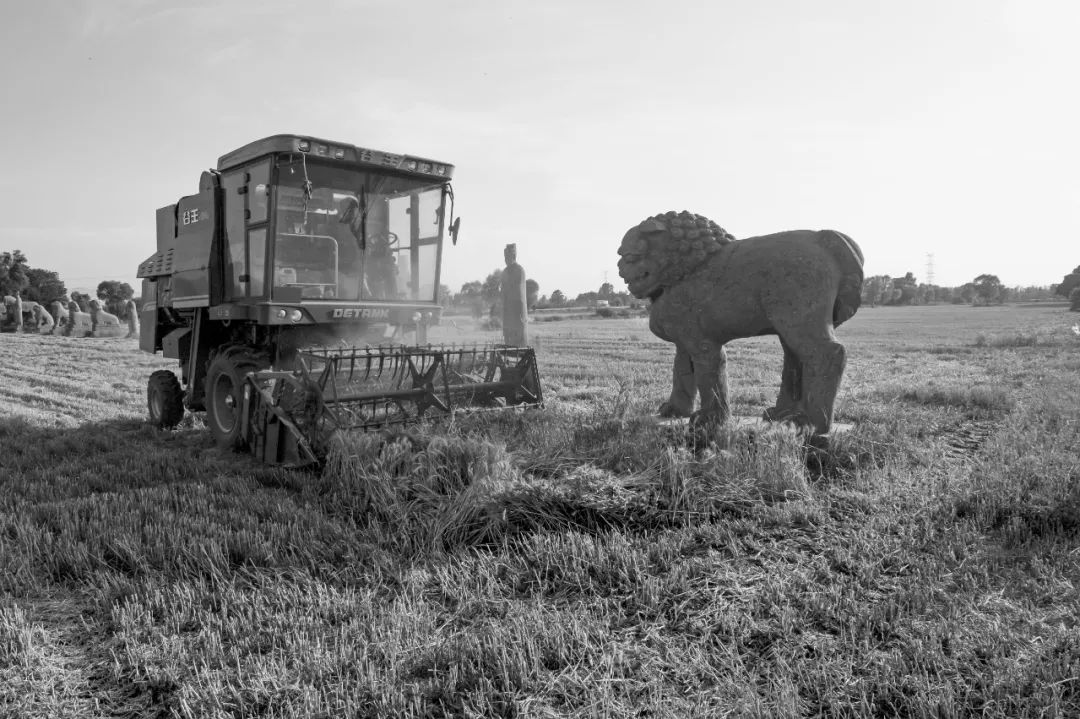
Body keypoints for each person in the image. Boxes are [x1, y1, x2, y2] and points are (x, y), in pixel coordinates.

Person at [501, 244, 528, 346]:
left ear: (513, 256)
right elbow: (503, 288)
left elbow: (517, 289)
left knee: (518, 334)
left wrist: (507, 289)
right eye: (505, 257)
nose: (505, 259)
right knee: (508, 334)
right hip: (507, 307)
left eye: (507, 257)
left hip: (517, 307)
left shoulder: (519, 270)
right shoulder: (504, 271)